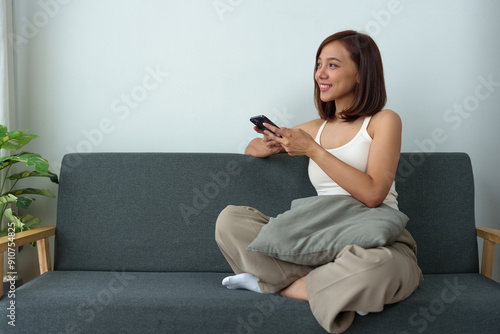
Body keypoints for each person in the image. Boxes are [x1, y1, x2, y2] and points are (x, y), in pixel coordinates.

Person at [215, 30, 423, 334]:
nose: (320, 74)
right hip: (318, 235)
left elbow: (374, 194)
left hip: (375, 237)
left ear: (361, 74)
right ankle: (336, 288)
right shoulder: (315, 127)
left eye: (333, 65)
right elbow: (251, 148)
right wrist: (271, 144)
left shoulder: (383, 121)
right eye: (318, 64)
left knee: (379, 269)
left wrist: (313, 149)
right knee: (230, 220)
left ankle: (274, 285)